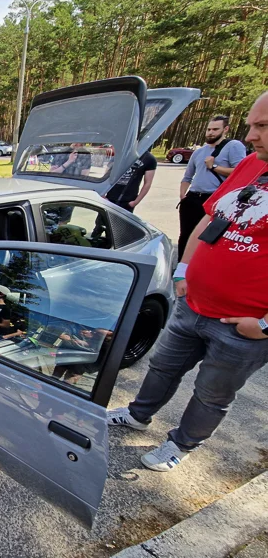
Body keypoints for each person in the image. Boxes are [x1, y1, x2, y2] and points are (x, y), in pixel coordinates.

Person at [107, 92, 268, 472]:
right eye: (250, 124)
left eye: (261, 127)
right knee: (162, 367)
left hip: (242, 326)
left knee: (212, 394)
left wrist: (263, 325)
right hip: (192, 302)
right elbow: (209, 221)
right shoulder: (250, 165)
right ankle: (137, 414)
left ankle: (182, 443)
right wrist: (183, 272)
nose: (250, 135)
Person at [176, 115, 247, 260]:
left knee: (209, 237)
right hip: (193, 198)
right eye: (209, 129)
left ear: (225, 129)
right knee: (186, 235)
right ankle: (181, 268)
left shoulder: (233, 146)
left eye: (215, 129)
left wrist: (214, 167)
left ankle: (199, 268)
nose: (210, 133)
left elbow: (241, 171)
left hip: (216, 199)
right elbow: (187, 177)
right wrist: (183, 195)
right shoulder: (199, 152)